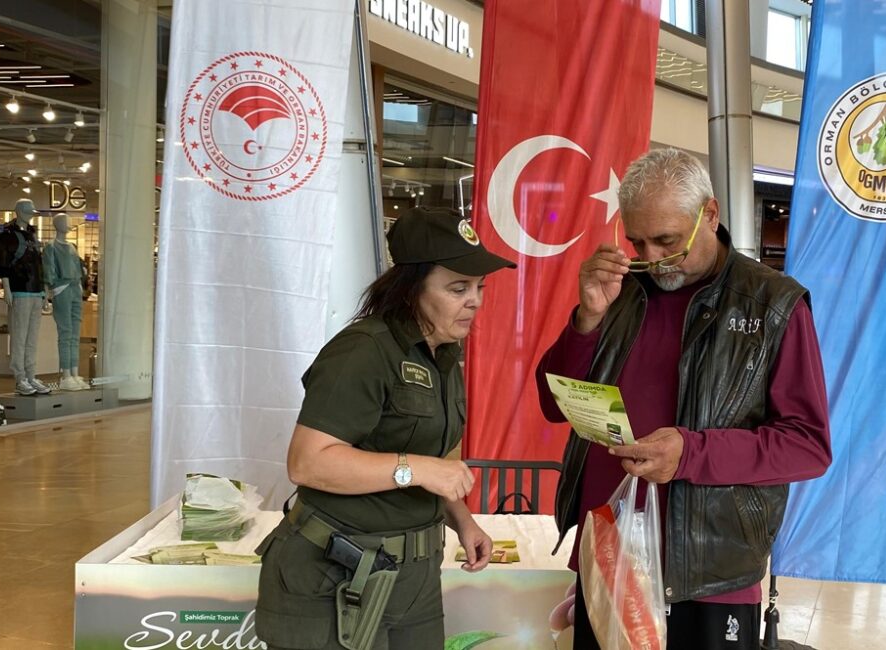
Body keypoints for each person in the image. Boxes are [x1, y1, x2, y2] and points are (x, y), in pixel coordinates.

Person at [536, 148, 831, 650]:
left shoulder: (772, 304)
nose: (651, 258)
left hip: (709, 569)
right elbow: (554, 402)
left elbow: (807, 445)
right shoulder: (620, 292)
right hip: (609, 552)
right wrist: (586, 321)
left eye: (668, 240)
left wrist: (690, 453)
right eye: (637, 241)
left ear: (710, 215)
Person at [255, 207, 516, 650]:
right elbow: (307, 462)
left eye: (479, 287)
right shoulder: (364, 351)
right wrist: (415, 468)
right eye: (458, 288)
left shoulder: (443, 355)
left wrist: (463, 521)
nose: (475, 300)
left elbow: (436, 463)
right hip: (334, 576)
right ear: (412, 289)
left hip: (413, 576)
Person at [0, 198, 51, 396]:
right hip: (19, 290)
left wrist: (43, 291)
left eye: (31, 211)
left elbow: (39, 265)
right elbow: (3, 263)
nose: (29, 214)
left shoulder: (33, 235)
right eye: (26, 211)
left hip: (35, 291)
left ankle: (30, 374)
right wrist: (7, 288)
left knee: (32, 337)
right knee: (19, 336)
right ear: (18, 211)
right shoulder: (7, 236)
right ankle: (20, 377)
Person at [43, 213, 90, 391]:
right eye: (66, 221)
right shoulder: (51, 246)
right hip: (62, 289)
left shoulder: (71, 246)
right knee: (65, 333)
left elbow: (79, 268)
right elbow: (48, 270)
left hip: (75, 288)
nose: (69, 224)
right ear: (57, 224)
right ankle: (66, 376)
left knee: (75, 334)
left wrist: (79, 285)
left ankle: (74, 373)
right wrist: (48, 292)